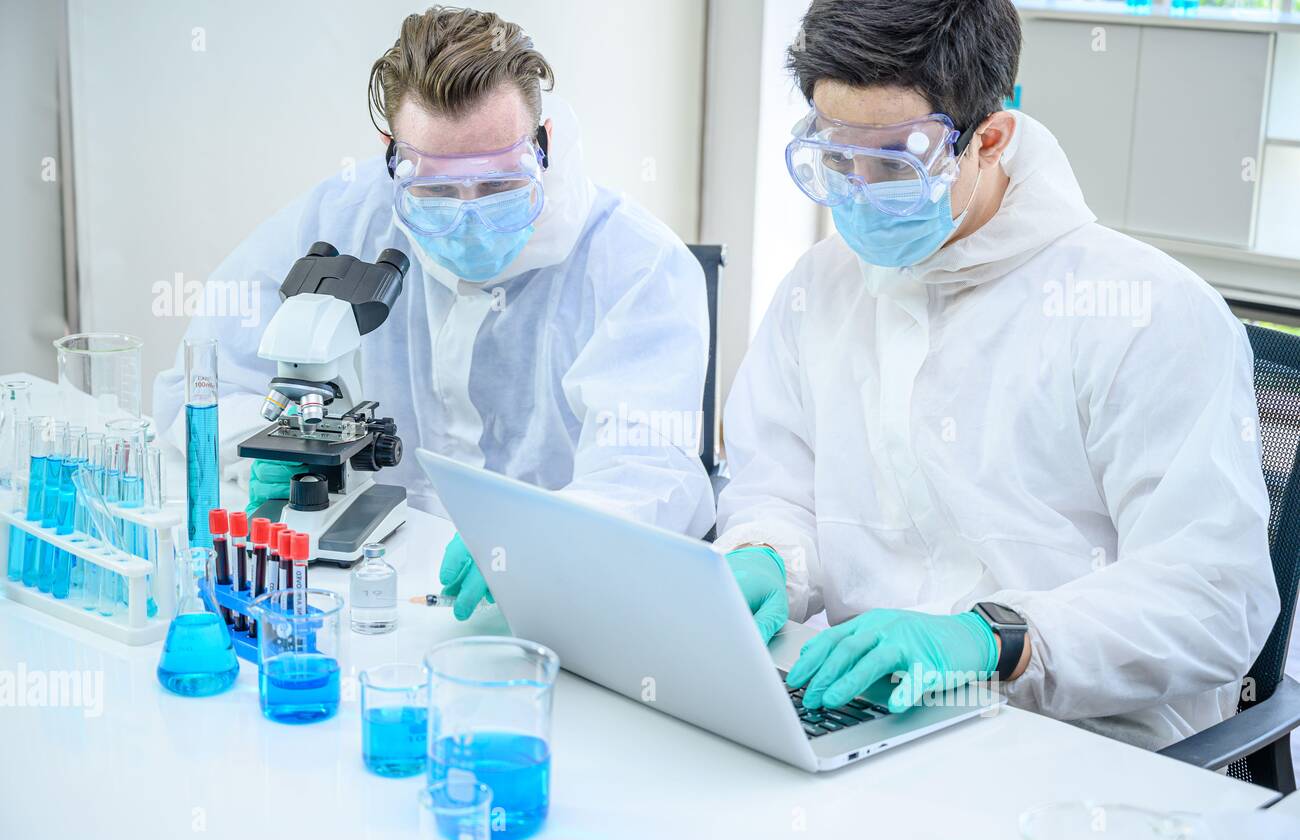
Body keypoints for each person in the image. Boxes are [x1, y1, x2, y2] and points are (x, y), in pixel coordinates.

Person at [717, 0, 1279, 750]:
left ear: (991, 137)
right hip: (877, 717)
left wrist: (995, 640)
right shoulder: (821, 286)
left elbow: (1216, 599)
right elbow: (779, 486)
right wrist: (765, 552)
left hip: (1086, 746)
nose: (853, 188)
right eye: (832, 153)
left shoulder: (1145, 312)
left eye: (889, 162)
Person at [154, 6, 715, 620]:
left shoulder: (639, 265)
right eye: (436, 192)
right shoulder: (346, 217)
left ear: (544, 144)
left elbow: (647, 475)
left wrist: (549, 542)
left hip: (564, 610)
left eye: (500, 187)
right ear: (392, 155)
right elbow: (201, 389)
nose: (469, 216)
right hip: (375, 582)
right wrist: (265, 451)